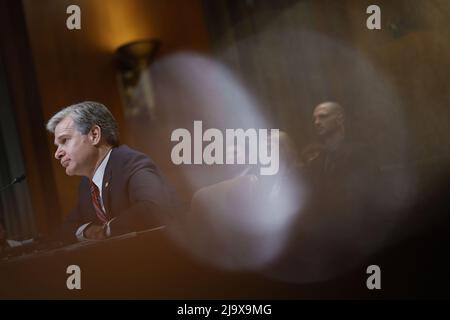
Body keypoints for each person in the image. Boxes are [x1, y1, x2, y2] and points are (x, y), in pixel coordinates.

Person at [46, 101, 176, 243]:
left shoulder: (130, 163)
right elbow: (66, 228)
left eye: (64, 140)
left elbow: (154, 208)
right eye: (57, 146)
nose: (57, 154)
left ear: (94, 135)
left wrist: (105, 230)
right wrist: (87, 231)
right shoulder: (86, 185)